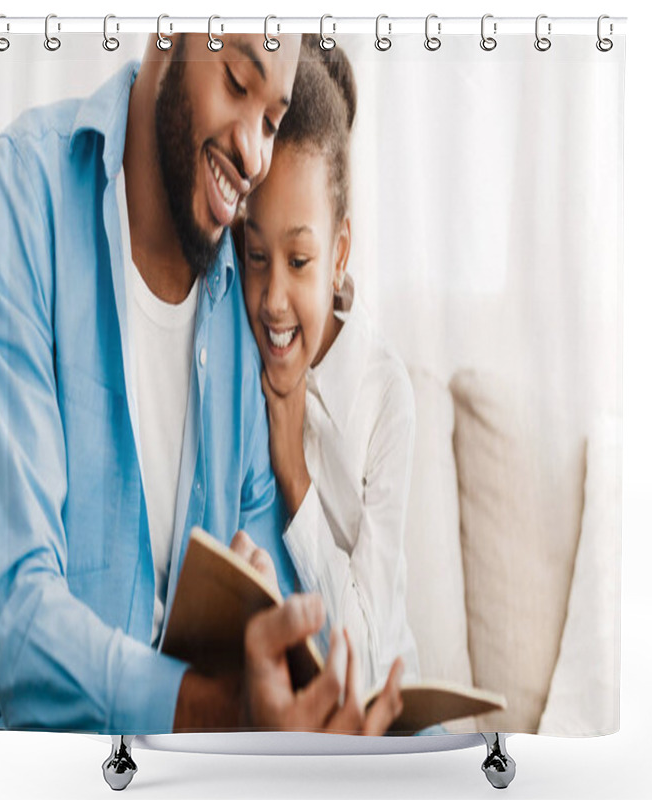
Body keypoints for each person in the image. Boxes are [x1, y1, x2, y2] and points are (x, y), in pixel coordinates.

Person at [0, 31, 402, 736]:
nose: (254, 152)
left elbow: (291, 631)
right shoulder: (26, 198)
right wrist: (215, 710)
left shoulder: (240, 305)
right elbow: (11, 614)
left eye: (271, 120)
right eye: (238, 81)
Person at [236, 37, 421, 702]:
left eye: (300, 261)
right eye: (256, 256)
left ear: (339, 250)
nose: (273, 299)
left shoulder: (385, 396)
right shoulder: (234, 344)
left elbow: (366, 661)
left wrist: (294, 471)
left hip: (385, 712)